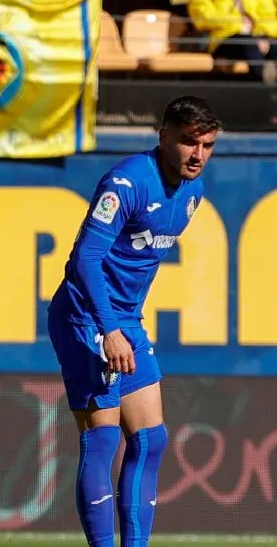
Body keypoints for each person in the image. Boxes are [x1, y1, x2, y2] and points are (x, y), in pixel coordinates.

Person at [46, 96, 221, 547]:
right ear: (164, 137)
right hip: (87, 317)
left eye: (207, 145)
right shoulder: (126, 183)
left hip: (125, 320)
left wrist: (123, 324)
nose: (198, 154)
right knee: (102, 439)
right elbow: (85, 258)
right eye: (188, 142)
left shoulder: (192, 192)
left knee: (150, 440)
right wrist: (109, 329)